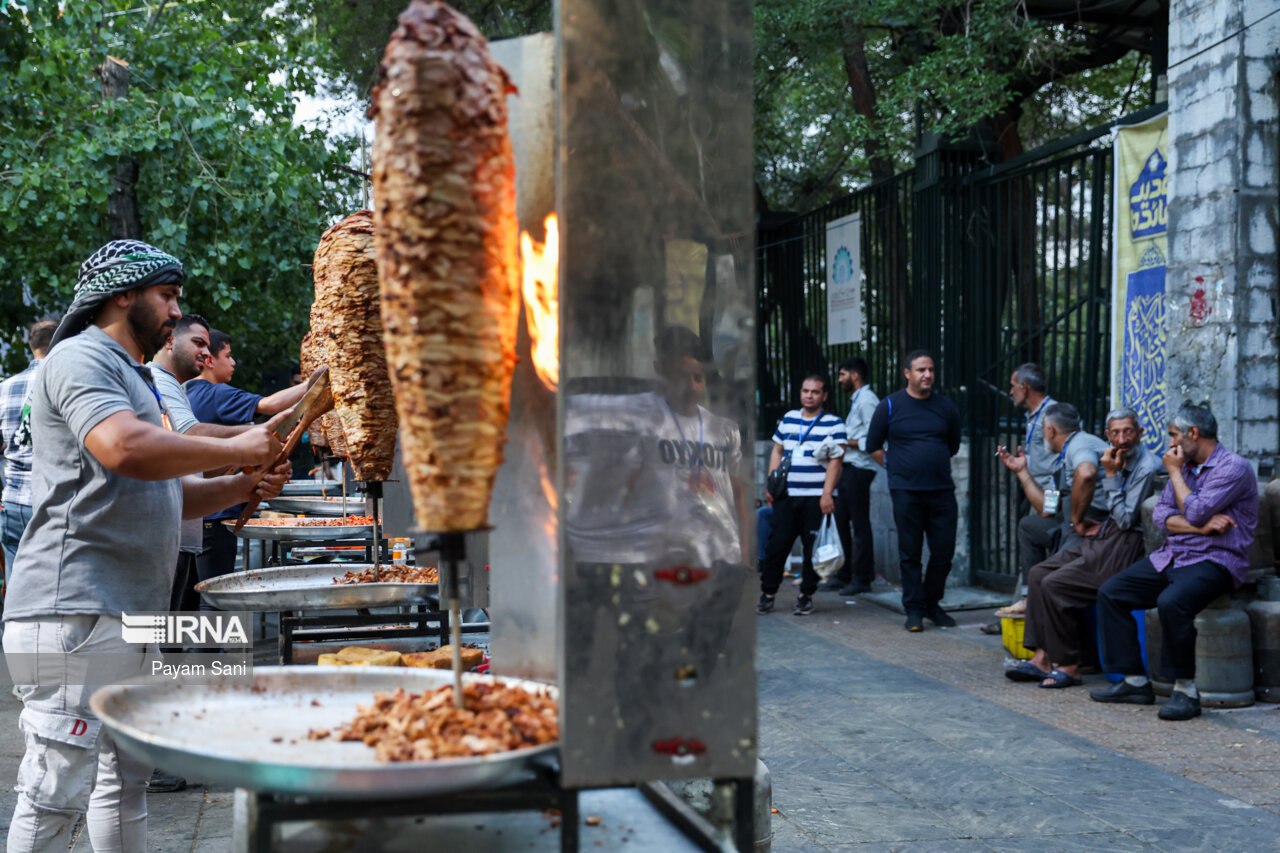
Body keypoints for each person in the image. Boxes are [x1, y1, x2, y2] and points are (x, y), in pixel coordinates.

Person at [2, 239, 290, 853]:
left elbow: (172, 497)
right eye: (167, 296)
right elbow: (123, 447)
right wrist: (240, 447)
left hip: (127, 615)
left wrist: (243, 484)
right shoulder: (81, 356)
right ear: (123, 295)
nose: (173, 312)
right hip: (72, 610)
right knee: (55, 793)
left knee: (123, 781)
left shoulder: (134, 375)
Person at [1090, 403, 1258, 721]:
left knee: (1172, 602)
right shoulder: (1186, 467)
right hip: (1175, 554)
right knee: (1112, 592)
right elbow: (1161, 515)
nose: (1170, 445)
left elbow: (1191, 510)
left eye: (1173, 436)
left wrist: (1175, 476)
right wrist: (1202, 525)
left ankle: (1185, 689)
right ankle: (1134, 682)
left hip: (1218, 559)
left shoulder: (1232, 468)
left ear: (1193, 434)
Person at [1003, 407, 1159, 687]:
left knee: (1055, 583)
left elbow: (1126, 520)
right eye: (1116, 433)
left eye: (1128, 432)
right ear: (1107, 435)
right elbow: (1053, 510)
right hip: (1106, 532)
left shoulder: (1144, 467)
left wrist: (1107, 480)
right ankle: (1041, 658)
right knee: (1039, 574)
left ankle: (1069, 665)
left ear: (1140, 433)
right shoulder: (1116, 457)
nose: (1122, 438)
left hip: (1127, 543)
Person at [185, 327, 317, 606]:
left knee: (186, 606)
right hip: (215, 518)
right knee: (215, 604)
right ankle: (212, 651)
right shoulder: (217, 394)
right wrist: (313, 387)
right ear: (209, 359)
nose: (233, 363)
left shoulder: (183, 394)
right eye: (228, 356)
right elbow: (269, 405)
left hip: (191, 520)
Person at [864, 350, 961, 632]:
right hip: (906, 491)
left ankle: (932, 602)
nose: (927, 375)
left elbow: (952, 445)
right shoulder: (890, 406)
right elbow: (873, 446)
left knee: (943, 552)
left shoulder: (946, 407)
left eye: (930, 369)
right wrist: (896, 468)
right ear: (907, 373)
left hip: (941, 490)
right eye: (921, 370)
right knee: (910, 553)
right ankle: (914, 610)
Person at [758, 375, 847, 616]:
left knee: (812, 548)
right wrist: (772, 482)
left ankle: (806, 595)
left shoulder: (834, 423)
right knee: (777, 545)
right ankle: (768, 593)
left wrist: (827, 494)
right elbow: (777, 450)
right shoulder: (788, 419)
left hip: (816, 498)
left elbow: (837, 461)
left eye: (815, 392)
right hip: (787, 496)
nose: (809, 395)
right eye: (805, 391)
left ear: (824, 396)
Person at [985, 364, 1057, 630]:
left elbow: (1061, 462)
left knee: (1038, 556)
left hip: (1049, 495)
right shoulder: (1034, 415)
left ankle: (1022, 617)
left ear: (1024, 387)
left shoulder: (1053, 414)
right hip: (1035, 490)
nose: (1010, 391)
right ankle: (1014, 617)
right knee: (1030, 557)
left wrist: (1048, 503)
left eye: (1013, 385)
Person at [0, 317, 58, 598]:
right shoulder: (64, 383)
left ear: (32, 346)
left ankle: (9, 642)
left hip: (12, 503)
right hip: (52, 501)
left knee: (15, 592)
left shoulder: (5, 388)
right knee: (51, 592)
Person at [820, 356, 878, 596]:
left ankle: (862, 577)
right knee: (842, 519)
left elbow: (873, 438)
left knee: (859, 524)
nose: (840, 380)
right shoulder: (858, 400)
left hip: (860, 468)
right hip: (849, 468)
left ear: (855, 375)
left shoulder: (867, 401)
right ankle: (844, 574)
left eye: (843, 374)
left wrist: (844, 442)